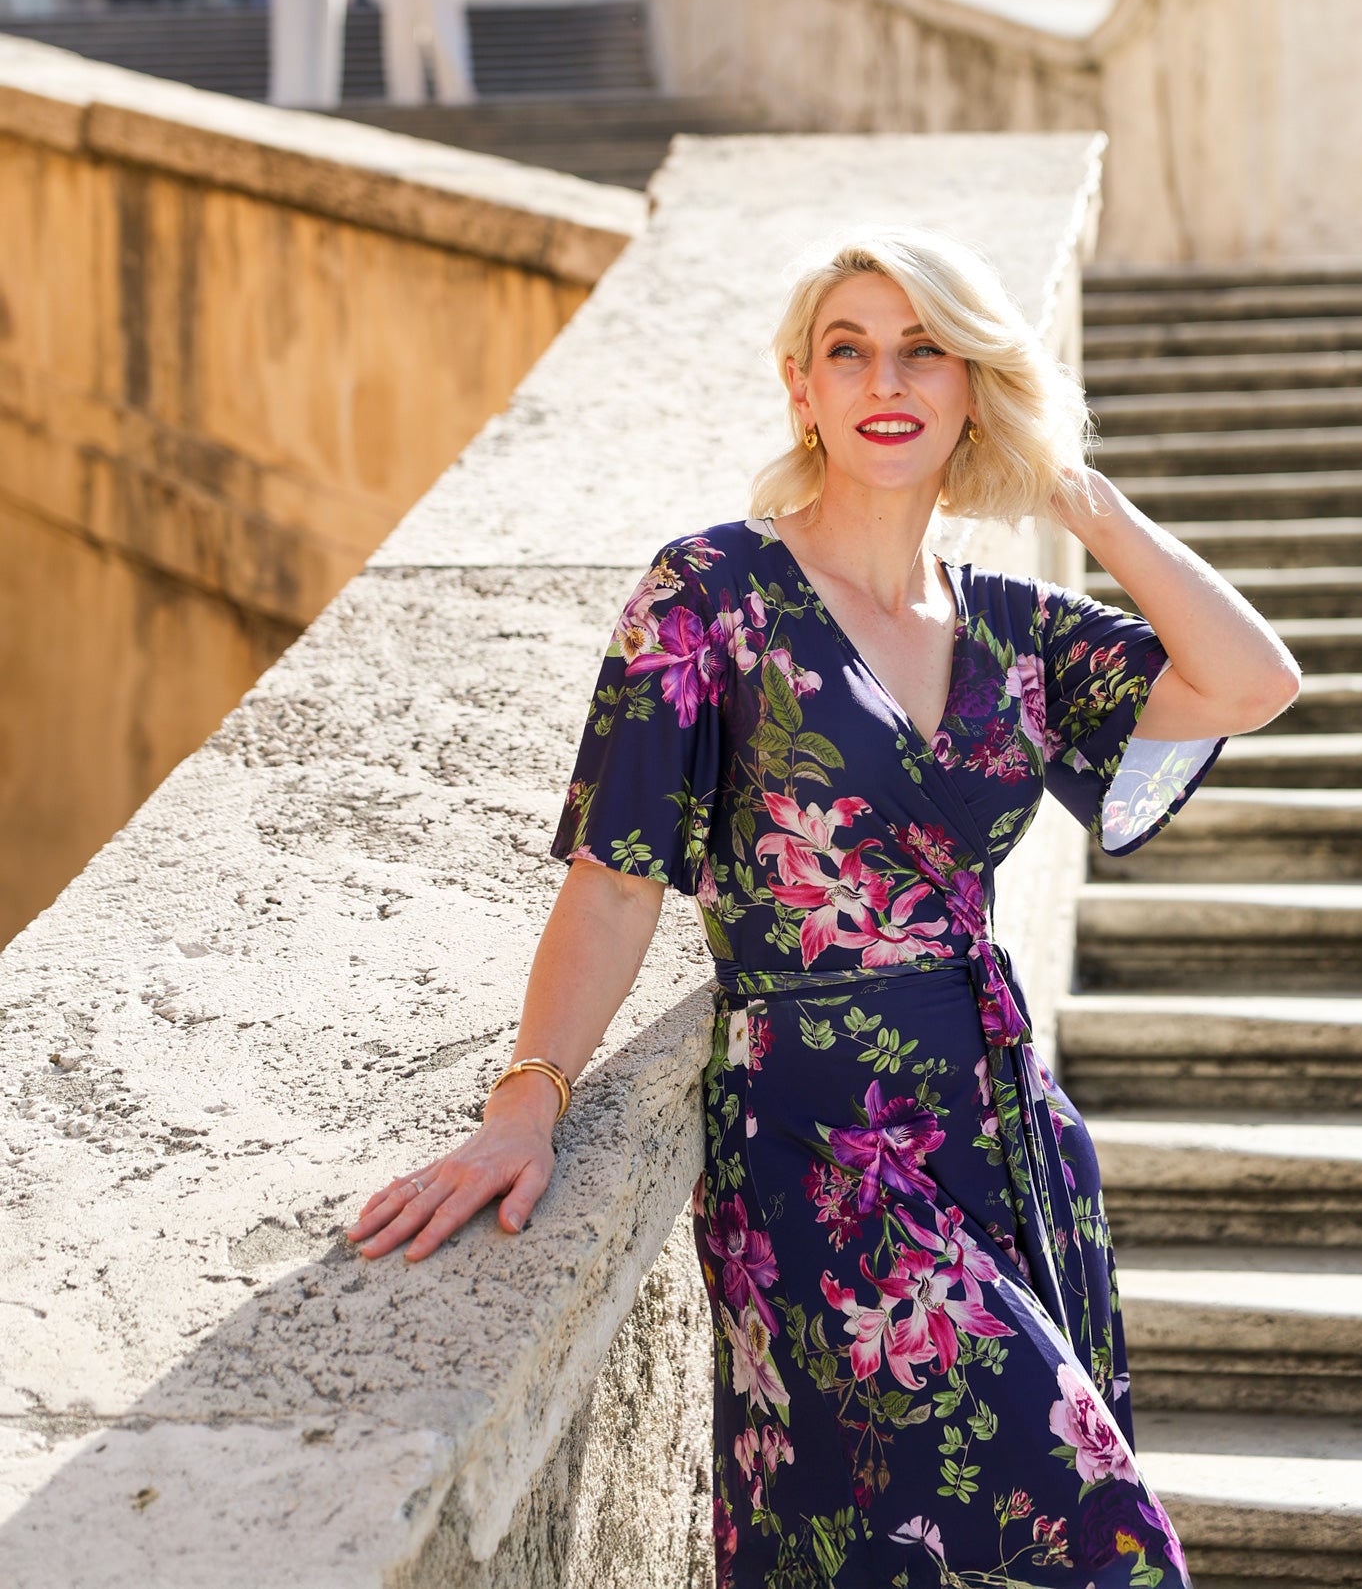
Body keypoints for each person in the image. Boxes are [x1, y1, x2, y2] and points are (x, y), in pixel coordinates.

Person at [349, 231, 1300, 1588]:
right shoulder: (711, 594)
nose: (885, 379)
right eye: (848, 349)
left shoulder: (1021, 632)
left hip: (1005, 1132)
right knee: (1091, 1541)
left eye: (926, 349)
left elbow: (1253, 680)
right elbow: (617, 877)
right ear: (802, 386)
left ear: (975, 383)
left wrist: (1077, 493)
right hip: (817, 1142)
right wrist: (528, 1095)